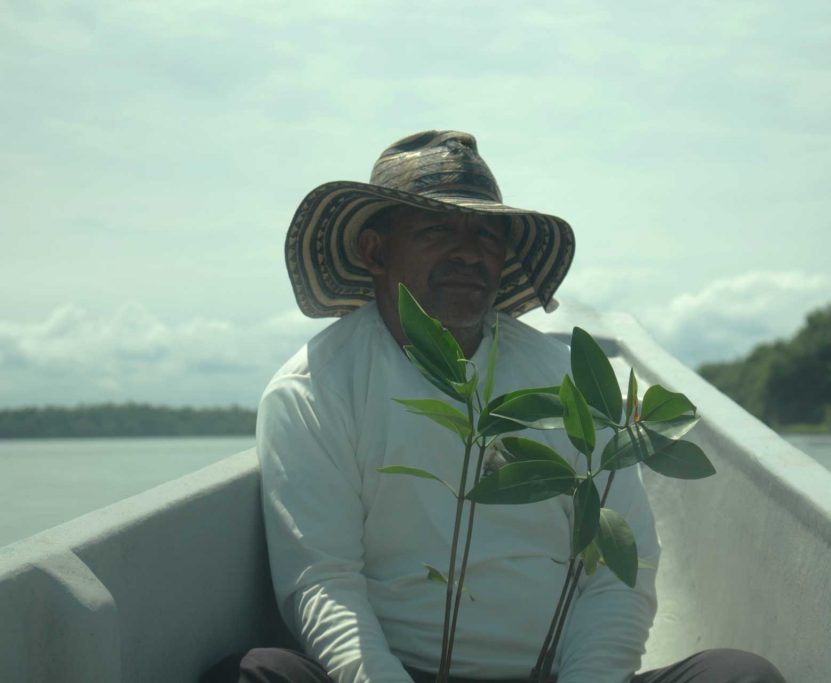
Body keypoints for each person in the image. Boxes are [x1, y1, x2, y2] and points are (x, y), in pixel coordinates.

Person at [207, 131, 785, 683]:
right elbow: (323, 582)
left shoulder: (567, 378)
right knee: (252, 676)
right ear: (375, 250)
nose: (468, 252)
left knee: (740, 677)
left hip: (559, 675)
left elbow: (617, 575)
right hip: (398, 672)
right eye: (437, 230)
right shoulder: (316, 388)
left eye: (486, 235)